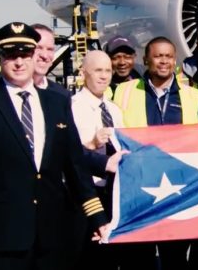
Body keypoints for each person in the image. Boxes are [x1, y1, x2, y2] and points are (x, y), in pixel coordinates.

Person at [0, 22, 109, 269]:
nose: (19, 62)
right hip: (0, 238)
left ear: (34, 56)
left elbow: (75, 167)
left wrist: (97, 217)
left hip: (51, 237)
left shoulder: (57, 103)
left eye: (25, 54)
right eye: (11, 55)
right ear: (0, 58)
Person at [113, 37, 198, 270]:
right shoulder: (122, 92)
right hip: (139, 193)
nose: (163, 61)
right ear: (146, 59)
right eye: (158, 56)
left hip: (177, 192)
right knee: (139, 260)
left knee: (175, 259)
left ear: (175, 60)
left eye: (168, 56)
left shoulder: (191, 96)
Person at [71, 50, 131, 270]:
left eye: (108, 70)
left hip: (111, 194)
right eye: (98, 70)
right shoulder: (72, 107)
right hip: (86, 194)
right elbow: (67, 155)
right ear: (84, 72)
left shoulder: (115, 110)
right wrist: (92, 144)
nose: (104, 76)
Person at [31, 23, 70, 96]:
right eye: (38, 48)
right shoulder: (6, 93)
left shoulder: (62, 96)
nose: (44, 56)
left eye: (50, 49)